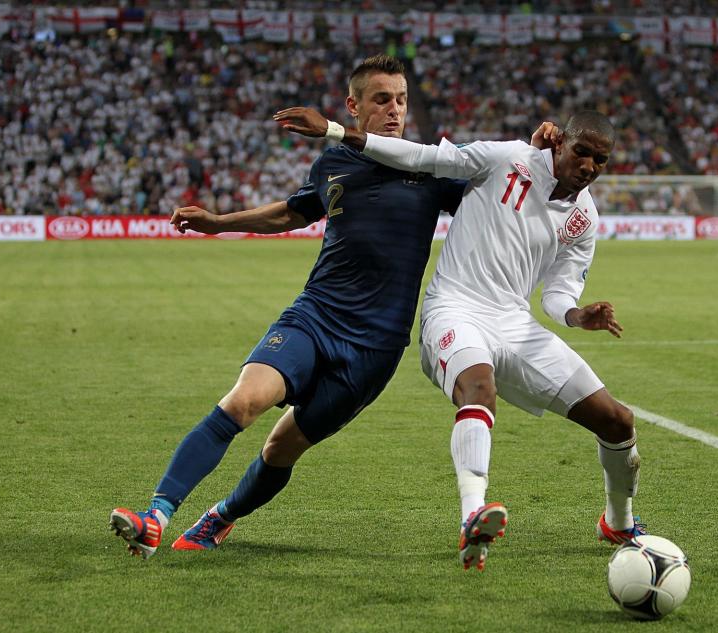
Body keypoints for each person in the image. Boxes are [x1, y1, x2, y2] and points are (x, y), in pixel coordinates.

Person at [108, 55, 470, 558]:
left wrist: (540, 158)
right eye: (382, 99)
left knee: (281, 449)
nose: (394, 110)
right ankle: (155, 517)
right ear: (354, 105)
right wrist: (218, 222)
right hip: (316, 315)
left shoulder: (434, 168)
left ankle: (220, 516)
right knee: (243, 402)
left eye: (402, 100)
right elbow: (290, 212)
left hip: (376, 346)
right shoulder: (334, 163)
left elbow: (496, 192)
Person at [275, 107, 645, 572]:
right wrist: (336, 131)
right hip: (456, 307)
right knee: (478, 389)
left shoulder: (584, 218)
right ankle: (473, 515)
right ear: (559, 144)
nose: (589, 166)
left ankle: (619, 522)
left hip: (516, 323)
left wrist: (576, 315)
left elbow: (558, 292)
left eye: (601, 160)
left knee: (618, 422)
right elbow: (422, 157)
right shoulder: (508, 158)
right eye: (582, 152)